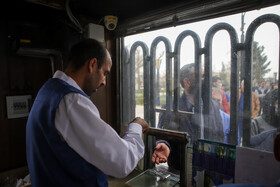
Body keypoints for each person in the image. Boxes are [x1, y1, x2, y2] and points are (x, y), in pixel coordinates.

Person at [26, 39, 149, 187]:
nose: (104, 81)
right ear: (92, 65)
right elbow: (123, 161)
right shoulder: (71, 101)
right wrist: (136, 126)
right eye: (105, 73)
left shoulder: (47, 90)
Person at [152, 63, 224, 170]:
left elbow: (220, 135)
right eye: (202, 76)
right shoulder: (170, 107)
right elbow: (163, 135)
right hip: (181, 169)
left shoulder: (214, 106)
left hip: (209, 168)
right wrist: (164, 144)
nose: (207, 80)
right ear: (187, 82)